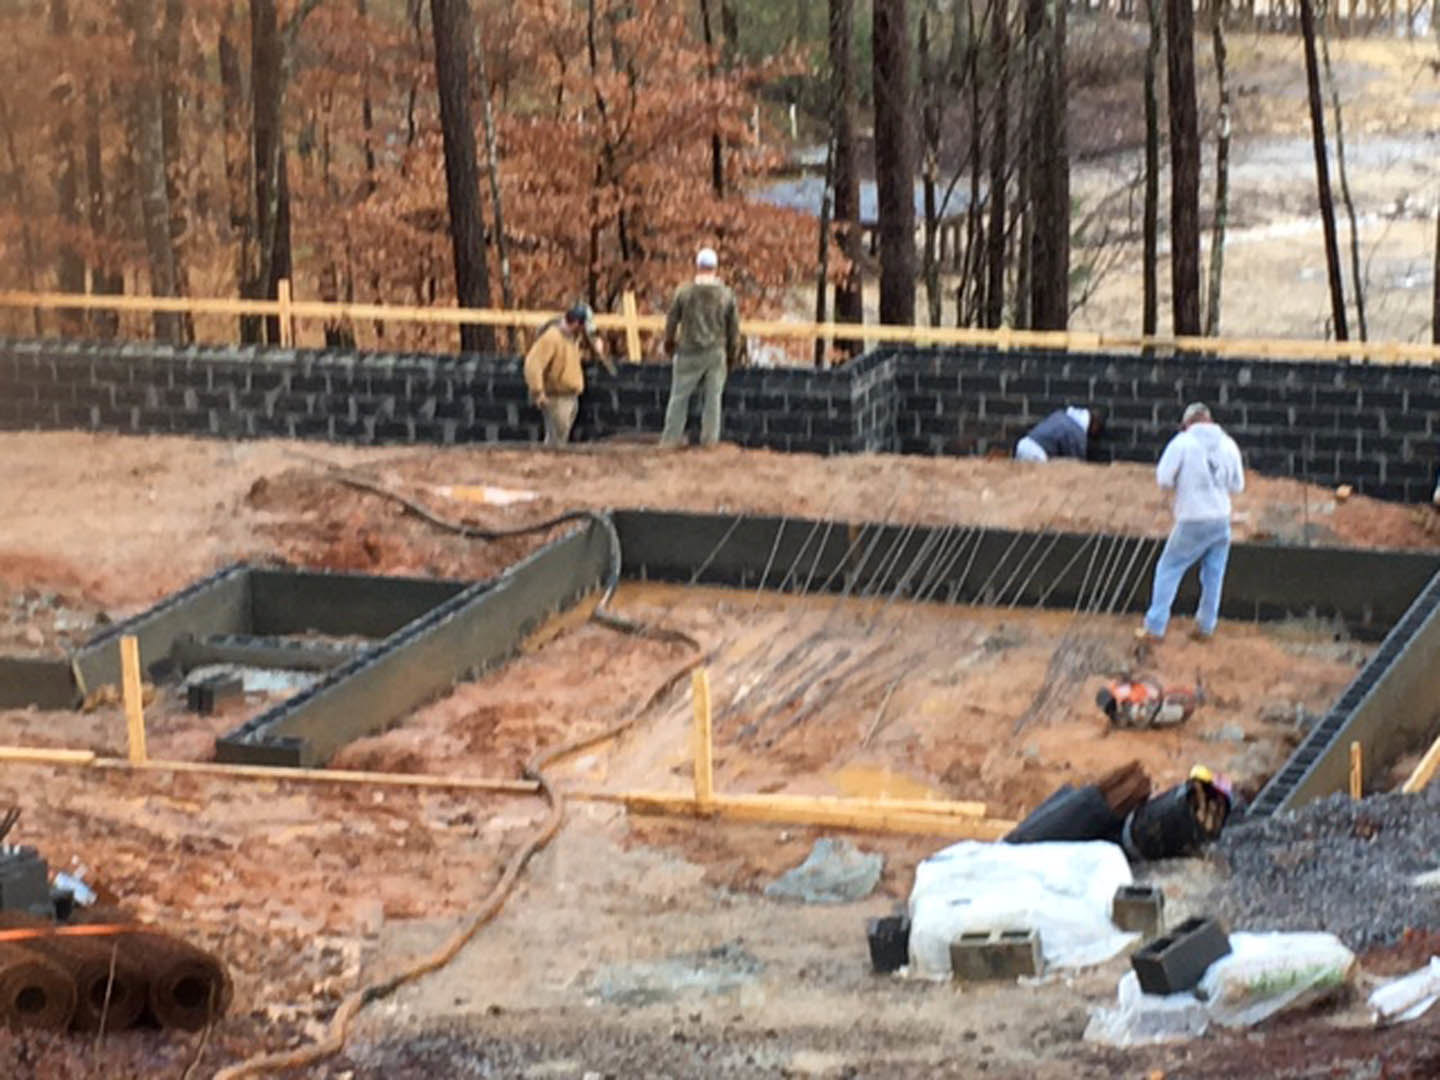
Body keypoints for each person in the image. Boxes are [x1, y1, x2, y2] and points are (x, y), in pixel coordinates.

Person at [1139, 402, 1246, 643]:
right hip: (1221, 519)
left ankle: (1155, 626)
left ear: (1187, 423)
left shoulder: (1182, 443)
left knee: (1169, 568)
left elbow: (1164, 478)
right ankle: (1206, 626)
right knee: (1213, 575)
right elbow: (1238, 485)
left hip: (1192, 518)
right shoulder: (1228, 444)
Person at [660, 247, 743, 448]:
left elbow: (671, 321)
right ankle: (709, 442)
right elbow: (734, 330)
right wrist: (733, 355)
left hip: (687, 351)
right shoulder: (726, 295)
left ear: (697, 266)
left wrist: (669, 345)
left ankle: (670, 440)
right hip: (715, 353)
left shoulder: (684, 292)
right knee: (713, 400)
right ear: (715, 268)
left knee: (679, 397)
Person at [523, 303, 610, 446]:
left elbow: (584, 350)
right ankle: (550, 467)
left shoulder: (572, 338)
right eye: (582, 326)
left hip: (570, 397)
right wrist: (538, 392)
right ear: (576, 323)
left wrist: (597, 347)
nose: (584, 330)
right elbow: (533, 364)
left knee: (561, 438)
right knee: (556, 442)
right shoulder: (552, 338)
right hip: (557, 398)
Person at [1015, 406, 1104, 463]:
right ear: (1094, 424)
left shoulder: (1060, 416)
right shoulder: (1077, 432)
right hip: (1036, 454)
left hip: (1022, 444)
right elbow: (1077, 463)